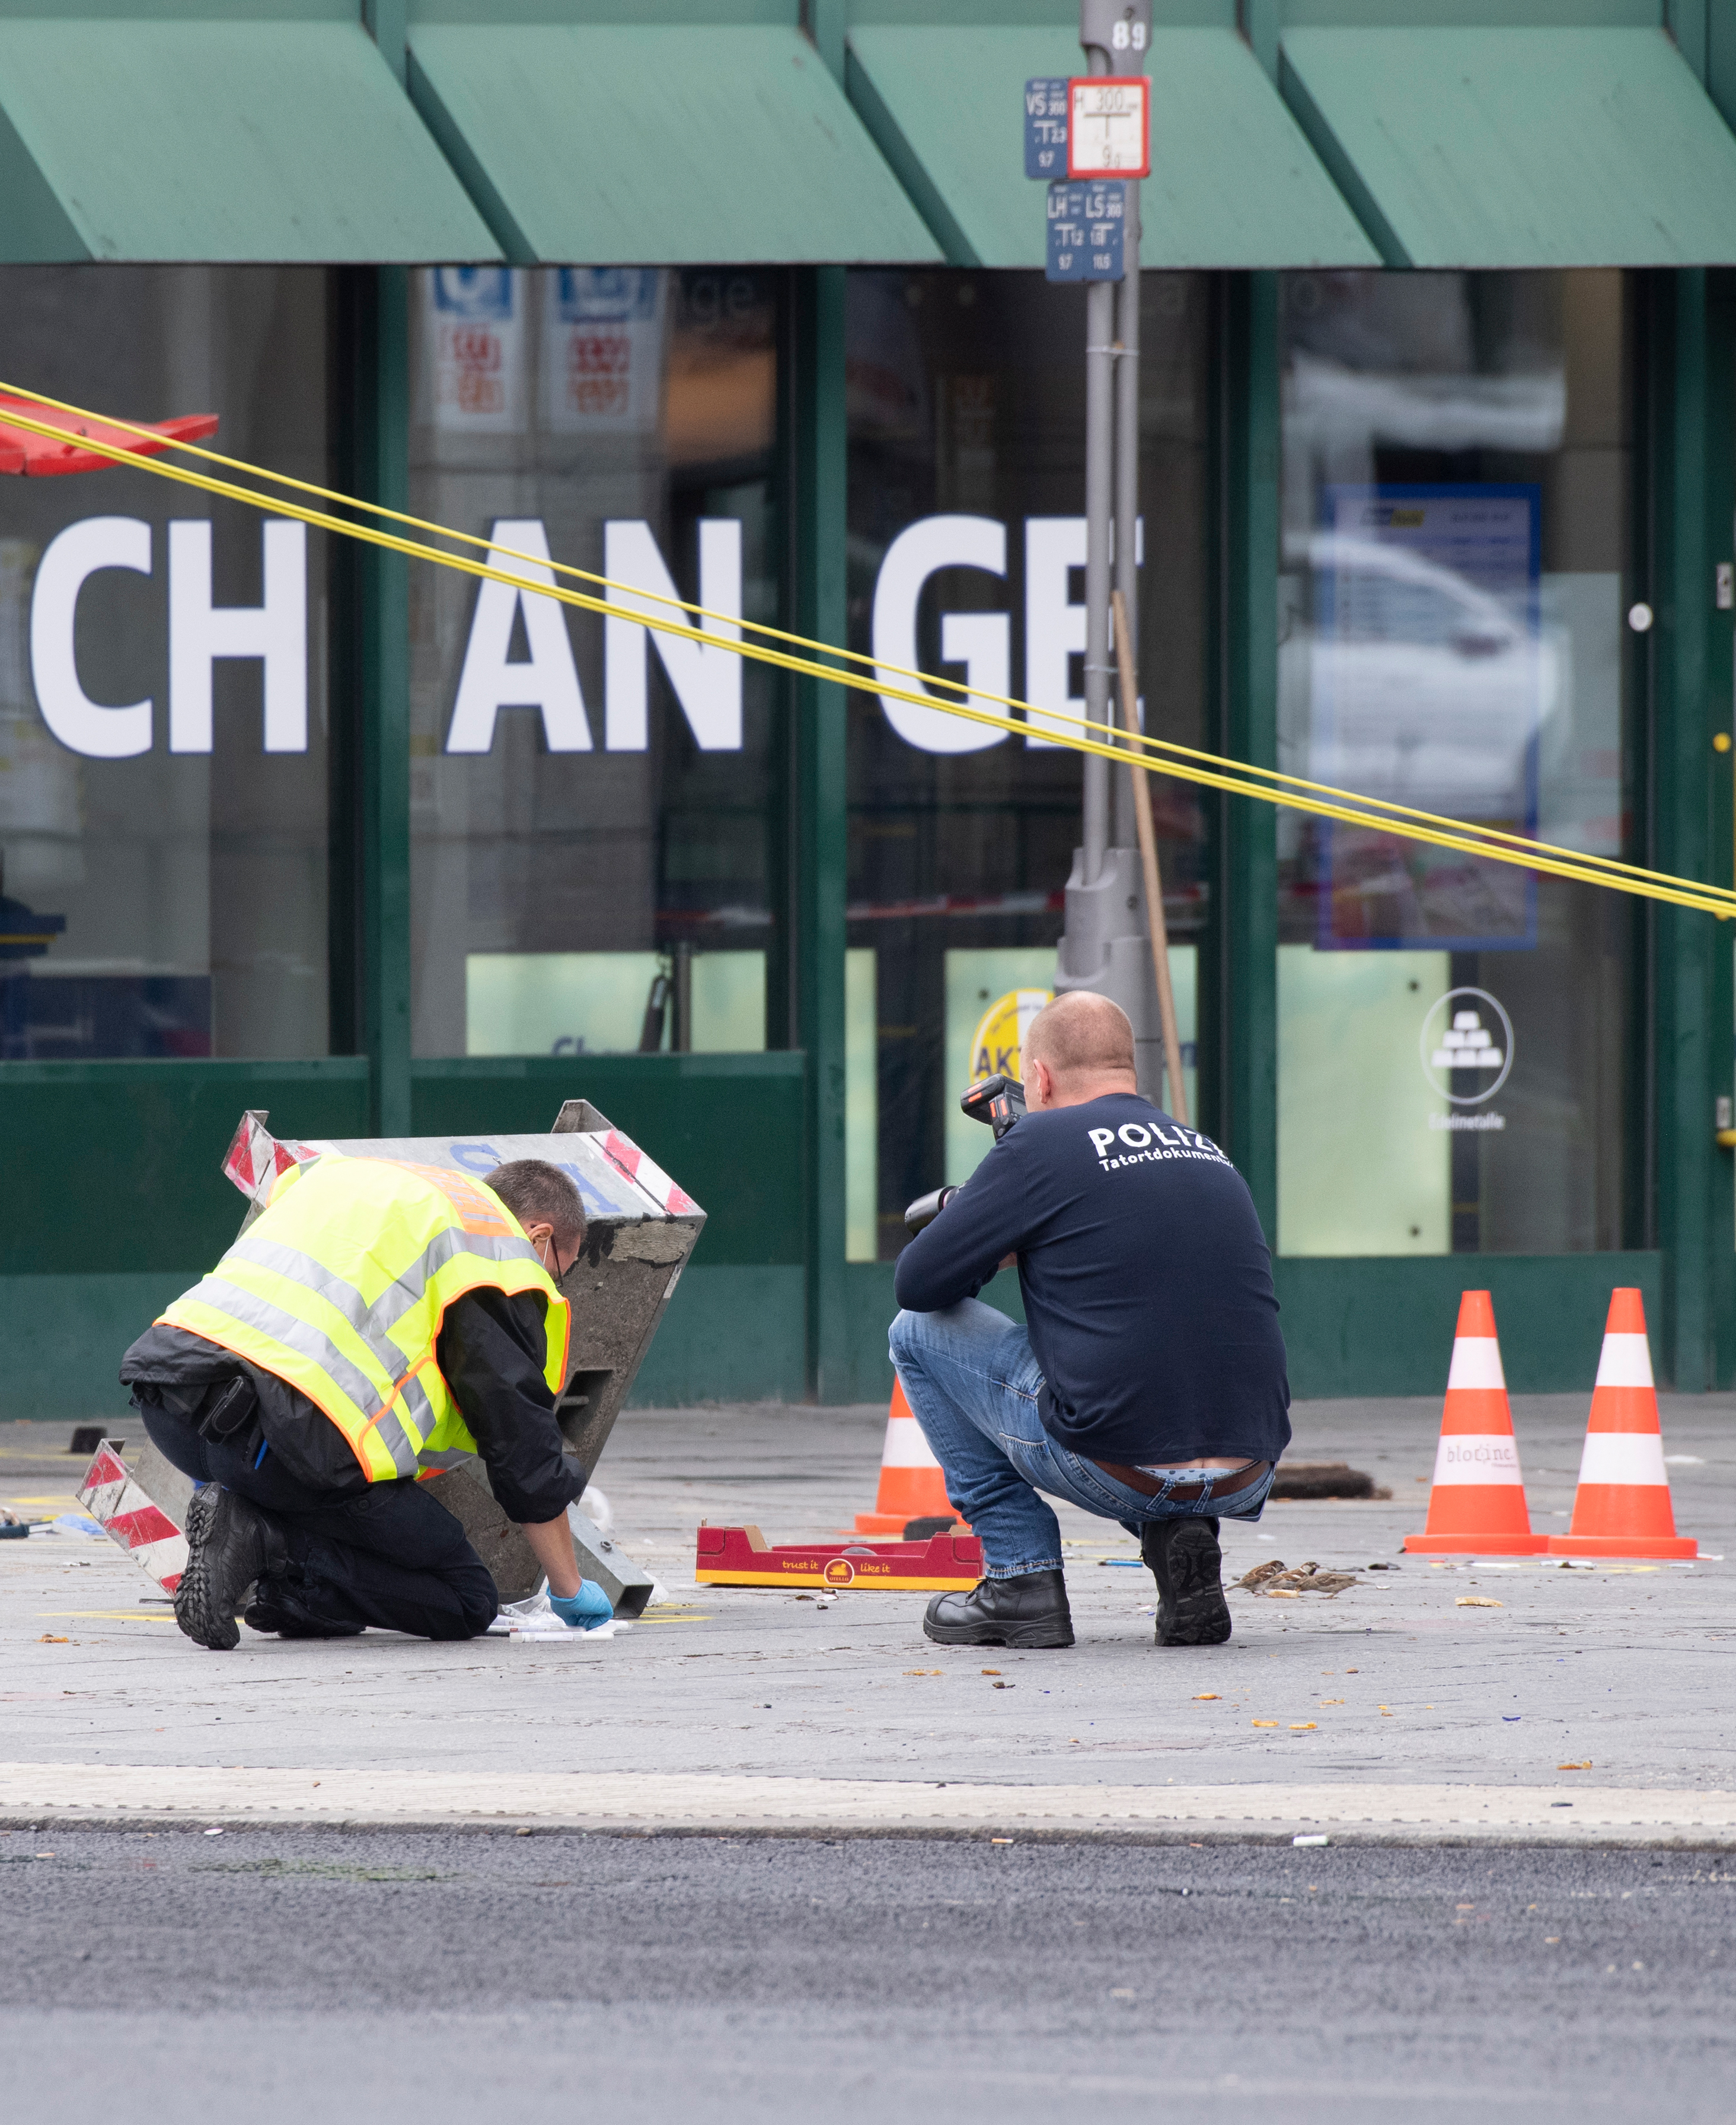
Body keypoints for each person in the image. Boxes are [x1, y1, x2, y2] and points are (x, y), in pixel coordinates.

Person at [889, 989, 1290, 1651]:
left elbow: (919, 1284)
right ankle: (1180, 1544)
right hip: (1247, 1471)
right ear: (1128, 1069)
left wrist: (991, 1239)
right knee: (1148, 1347)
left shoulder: (1039, 1140)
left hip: (1116, 1467)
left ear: (1040, 1078)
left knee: (914, 1332)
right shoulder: (1204, 1148)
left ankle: (1020, 1579)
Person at [120, 1153, 614, 1651]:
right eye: (557, 1273)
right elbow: (519, 1439)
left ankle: (296, 1592)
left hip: (172, 1403)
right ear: (539, 1236)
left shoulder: (349, 1180)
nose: (546, 1284)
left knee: (343, 1502)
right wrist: (568, 1590)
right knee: (466, 1598)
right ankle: (270, 1547)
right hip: (285, 1439)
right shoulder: (492, 1247)